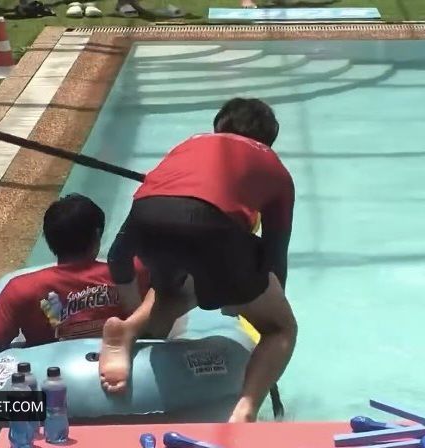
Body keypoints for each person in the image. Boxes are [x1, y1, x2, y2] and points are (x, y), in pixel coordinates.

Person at [99, 98, 298, 423]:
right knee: (281, 328)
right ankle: (245, 411)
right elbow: (275, 253)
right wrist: (256, 298)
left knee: (176, 291)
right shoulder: (275, 168)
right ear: (268, 141)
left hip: (147, 221)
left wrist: (128, 295)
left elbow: (119, 251)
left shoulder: (186, 146)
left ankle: (128, 329)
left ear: (218, 128)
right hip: (210, 228)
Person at [0, 194, 154, 358]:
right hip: (118, 363)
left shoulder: (22, 289)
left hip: (51, 373)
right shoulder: (134, 272)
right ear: (97, 234)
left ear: (49, 239)